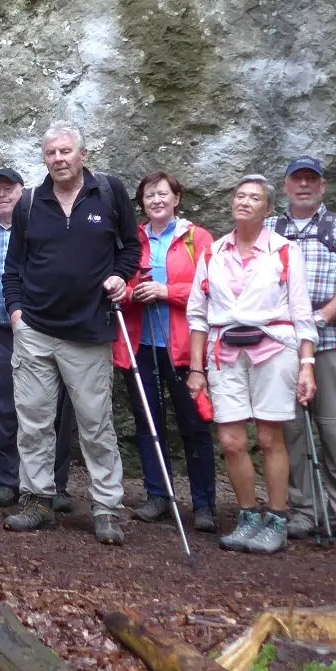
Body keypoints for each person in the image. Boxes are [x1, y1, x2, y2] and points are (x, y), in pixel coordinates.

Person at [2, 125, 139, 545]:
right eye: (51, 153)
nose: (59, 158)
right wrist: (17, 315)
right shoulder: (29, 203)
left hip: (88, 331)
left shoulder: (110, 193)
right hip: (36, 331)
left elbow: (130, 248)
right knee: (33, 422)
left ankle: (106, 507)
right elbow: (14, 266)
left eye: (66, 151)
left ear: (82, 154)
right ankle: (37, 500)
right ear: (43, 159)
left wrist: (119, 276)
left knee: (96, 424)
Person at [186, 175, 318, 554]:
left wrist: (306, 365)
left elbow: (302, 314)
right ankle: (247, 516)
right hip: (224, 349)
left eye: (254, 198)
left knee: (268, 438)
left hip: (275, 349)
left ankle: (276, 518)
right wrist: (196, 369)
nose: (244, 202)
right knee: (230, 440)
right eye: (240, 196)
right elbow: (198, 314)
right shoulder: (214, 252)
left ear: (268, 209)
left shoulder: (285, 252)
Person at [271, 157, 336, 548]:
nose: (303, 186)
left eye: (310, 180)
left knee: (334, 430)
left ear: (322, 186)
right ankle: (302, 511)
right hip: (282, 347)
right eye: (296, 179)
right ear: (285, 186)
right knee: (290, 431)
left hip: (332, 342)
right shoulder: (270, 228)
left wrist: (320, 317)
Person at [111, 172, 218, 532]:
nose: (156, 200)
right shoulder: (132, 239)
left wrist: (165, 291)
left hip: (185, 349)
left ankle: (204, 504)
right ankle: (158, 495)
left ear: (176, 198)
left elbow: (212, 288)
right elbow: (116, 285)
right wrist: (131, 293)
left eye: (163, 194)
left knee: (194, 425)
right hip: (141, 344)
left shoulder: (197, 238)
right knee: (148, 422)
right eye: (149, 195)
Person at [0, 168, 75, 512]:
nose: (2, 196)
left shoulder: (40, 226)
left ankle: (54, 484)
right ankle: (7, 480)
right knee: (3, 406)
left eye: (8, 189)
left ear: (22, 191)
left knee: (51, 408)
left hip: (42, 330)